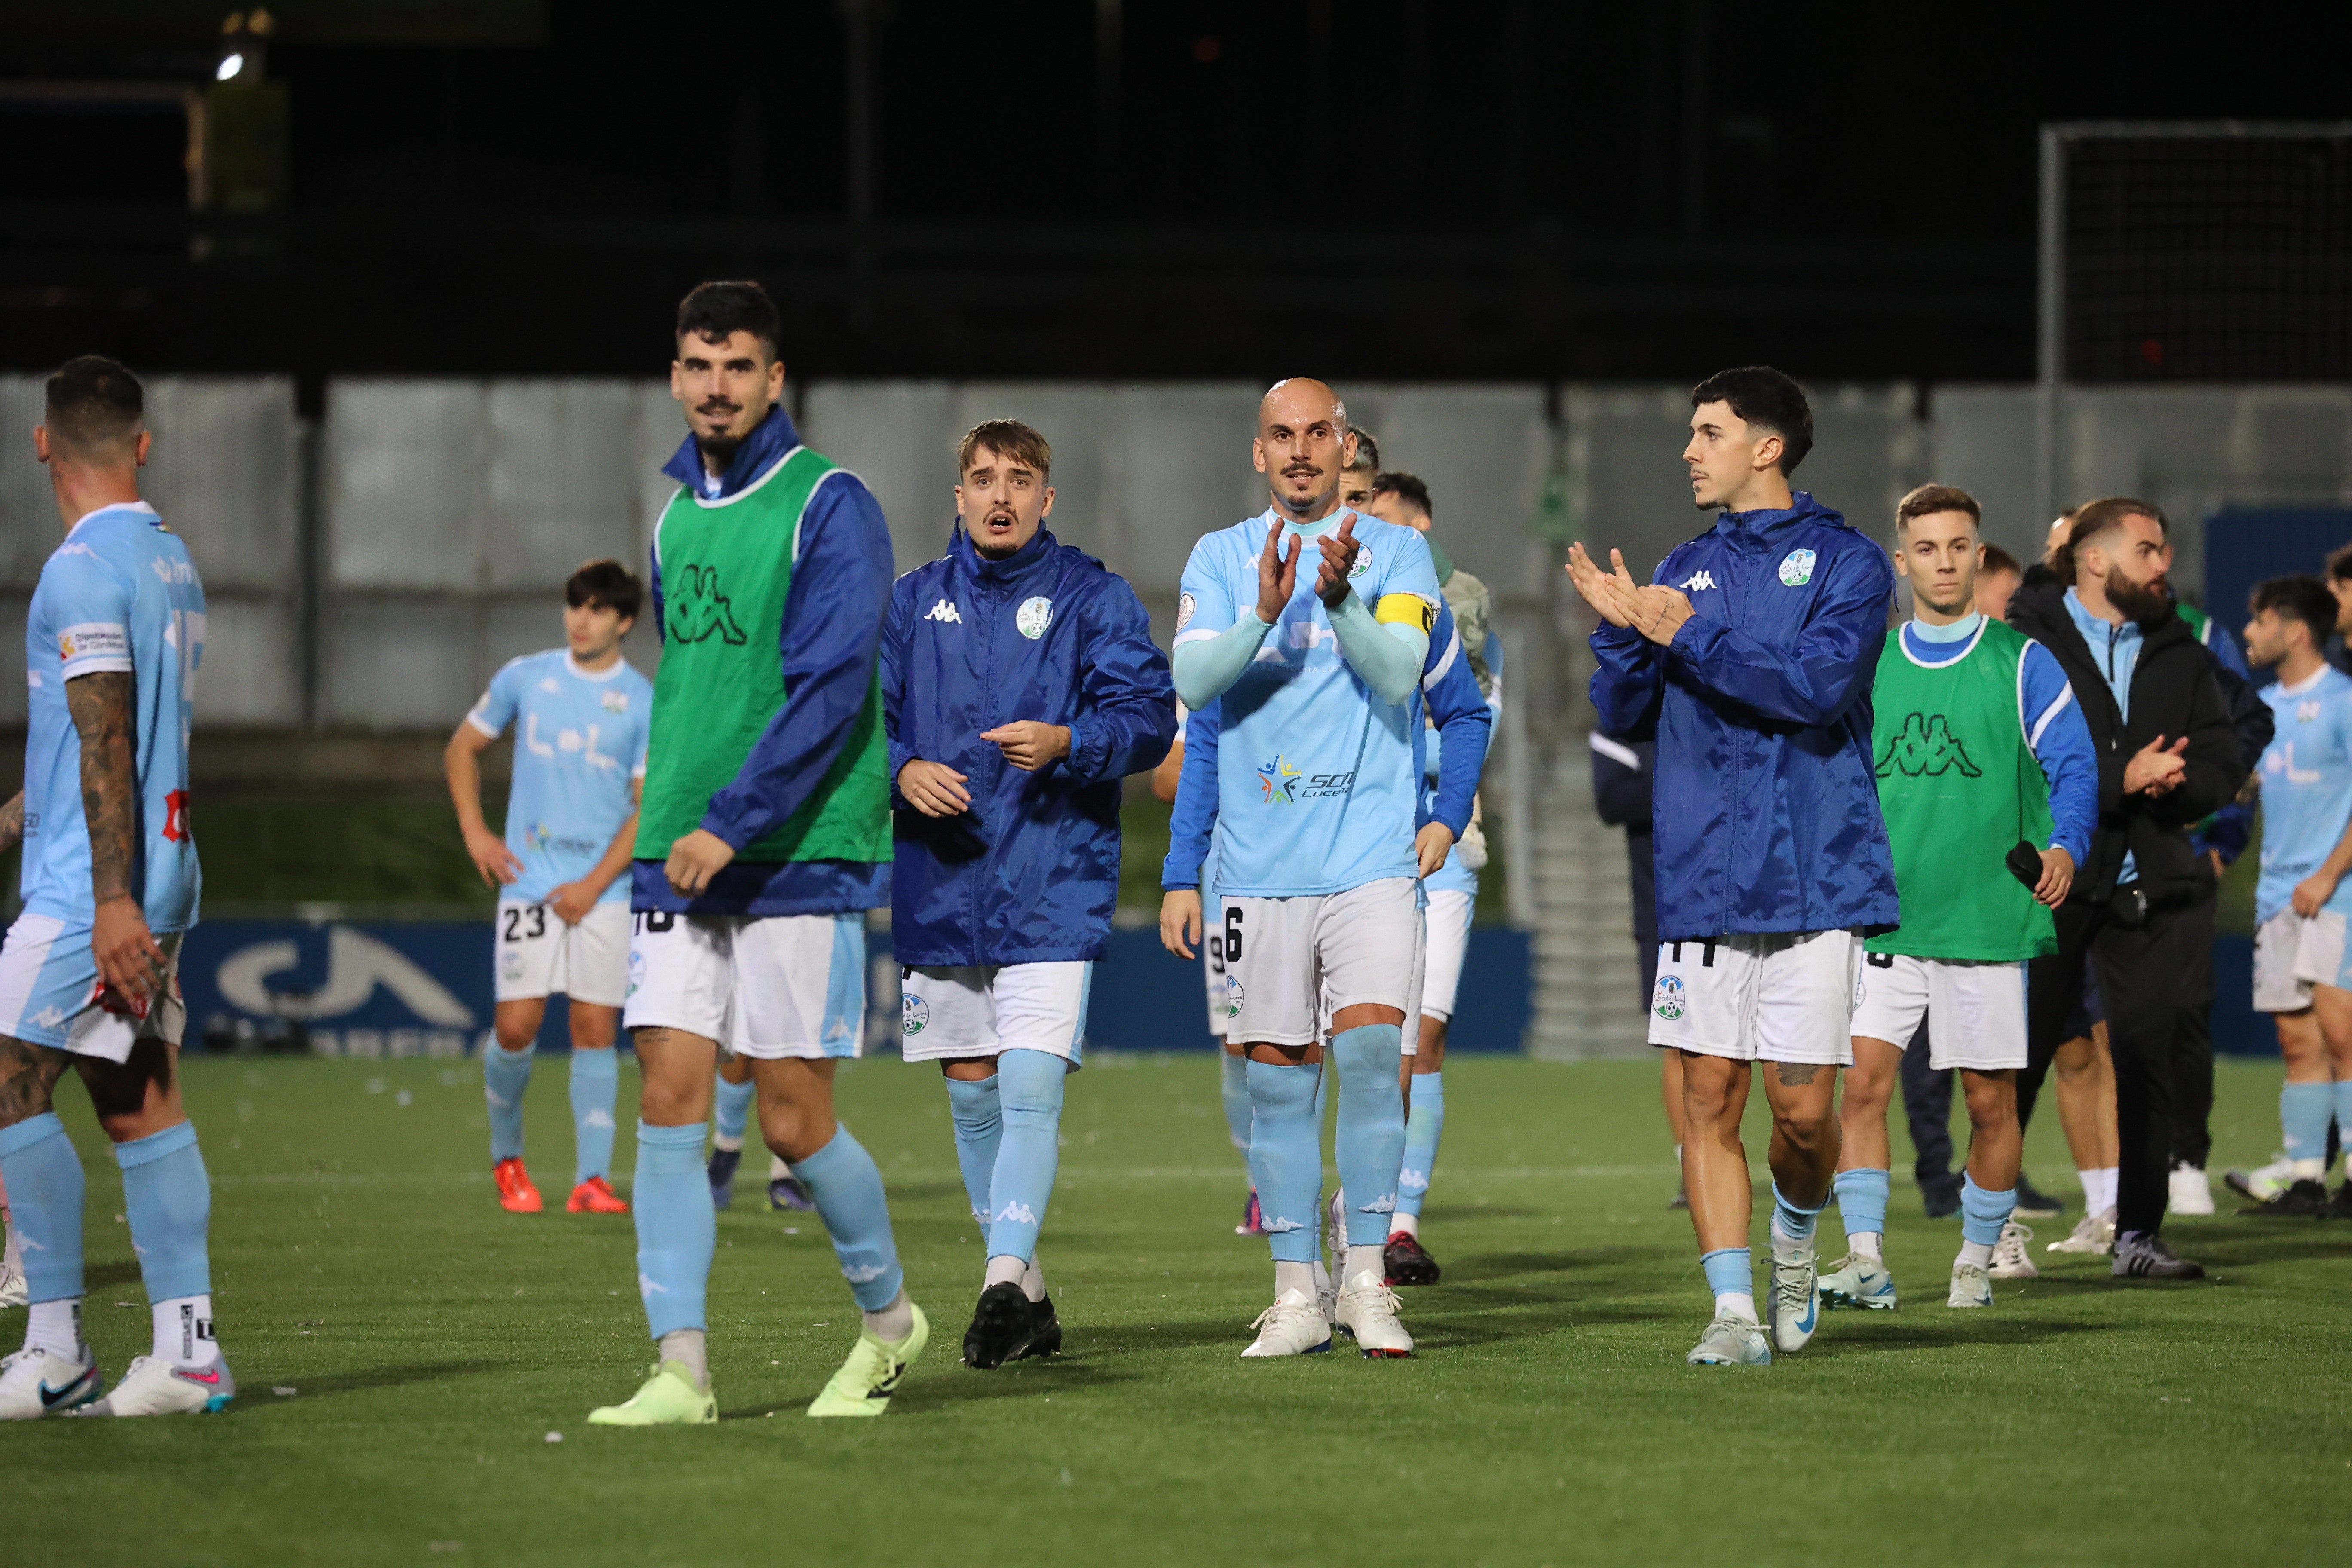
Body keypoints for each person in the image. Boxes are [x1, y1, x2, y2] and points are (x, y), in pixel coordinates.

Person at [589, 281, 922, 1426]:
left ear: (775, 378)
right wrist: (676, 819)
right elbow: (695, 686)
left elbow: (834, 688)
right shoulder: (673, 516)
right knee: (671, 1102)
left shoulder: (831, 505)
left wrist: (734, 818)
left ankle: (889, 1324)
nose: (716, 387)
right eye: (697, 366)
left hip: (792, 855)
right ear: (675, 377)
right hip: (677, 854)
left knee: (789, 1121)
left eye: (738, 367)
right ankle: (680, 1369)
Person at [1571, 365, 1898, 1368]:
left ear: (1768, 447)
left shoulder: (1847, 565)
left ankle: (1793, 1246)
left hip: (1811, 874)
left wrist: (1681, 629)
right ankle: (1730, 1312)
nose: (1688, 449)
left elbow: (1810, 689)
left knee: (1803, 1114)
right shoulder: (1683, 564)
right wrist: (1624, 634)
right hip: (1703, 878)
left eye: (1708, 431)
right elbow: (1620, 715)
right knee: (1707, 1097)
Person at [885, 418, 1175, 1367]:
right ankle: (1032, 1294)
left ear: (1048, 499)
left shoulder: (1092, 597)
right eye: (982, 479)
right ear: (957, 497)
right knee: (973, 1100)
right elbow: (858, 726)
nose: (1000, 495)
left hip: (1052, 881)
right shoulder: (910, 602)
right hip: (941, 887)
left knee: (1029, 1088)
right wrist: (899, 771)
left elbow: (1146, 719)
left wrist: (1071, 743)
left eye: (1019, 480)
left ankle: (1001, 1282)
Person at [1170, 378, 1444, 1358]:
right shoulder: (1220, 555)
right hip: (1257, 868)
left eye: (1315, 434)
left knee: (1373, 1058)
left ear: (1342, 447)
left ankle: (1365, 1279)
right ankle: (1296, 1291)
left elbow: (1398, 674)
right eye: (1279, 435)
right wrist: (1261, 613)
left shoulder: (1398, 552)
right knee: (1278, 1084)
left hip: (1369, 858)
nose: (1297, 450)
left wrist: (1337, 601)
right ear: (1259, 453)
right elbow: (1193, 682)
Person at [0, 356, 226, 1418]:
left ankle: (55, 1353)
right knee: (137, 1104)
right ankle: (187, 1352)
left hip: (94, 891)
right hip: (153, 870)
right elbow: (105, 731)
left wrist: (107, 900)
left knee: (6, 1084)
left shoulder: (79, 569)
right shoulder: (168, 557)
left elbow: (106, 731)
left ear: (44, 442)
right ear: (141, 444)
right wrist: (23, 805)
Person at [1817, 486, 2097, 1313]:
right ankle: (1864, 1257)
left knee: (1988, 1101)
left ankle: (1976, 1257)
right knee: (1860, 1087)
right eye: (1927, 548)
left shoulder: (2021, 660)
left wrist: (2065, 846)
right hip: (1885, 918)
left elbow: (2074, 768)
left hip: (1986, 921)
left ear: (1980, 555)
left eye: (1958, 545)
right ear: (1901, 562)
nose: (1944, 561)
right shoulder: (1869, 661)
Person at [2006, 499, 2248, 1280]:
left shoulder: (2180, 649)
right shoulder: (2026, 641)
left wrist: (2177, 785)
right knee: (2019, 1063)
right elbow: (2016, 762)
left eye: (2165, 549)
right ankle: (1989, 1232)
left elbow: (2222, 756)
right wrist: (2123, 776)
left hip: (2146, 883)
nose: (2163, 565)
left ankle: (2137, 1235)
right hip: (2051, 880)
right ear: (2096, 561)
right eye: (2148, 550)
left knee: (2145, 1062)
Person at [445, 560, 652, 1217]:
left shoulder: (642, 699)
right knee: (515, 1027)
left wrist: (593, 884)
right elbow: (461, 750)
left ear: (623, 621)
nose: (580, 620)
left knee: (595, 1029)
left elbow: (646, 808)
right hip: (529, 885)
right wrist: (477, 834)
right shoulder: (525, 676)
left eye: (595, 609)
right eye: (574, 606)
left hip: (605, 892)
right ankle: (508, 1160)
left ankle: (592, 1181)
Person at [1364, 470, 1502, 1284]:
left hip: (1442, 845)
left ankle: (1398, 1222)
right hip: (1342, 845)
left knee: (1422, 1038)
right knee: (1345, 1044)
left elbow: (1467, 719)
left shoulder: (1459, 602)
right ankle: (1337, 1211)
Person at [2227, 576, 2352, 1216]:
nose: (2249, 632)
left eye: (2259, 620)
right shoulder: (2265, 708)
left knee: (2343, 1035)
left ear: (2294, 630)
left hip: (2334, 895)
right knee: (2298, 1043)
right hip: (2279, 898)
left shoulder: (2345, 701)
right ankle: (2305, 1175)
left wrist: (2329, 875)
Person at [1154, 699, 1269, 1234]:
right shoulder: (1216, 662)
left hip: (1322, 881)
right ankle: (1261, 1185)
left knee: (1335, 1037)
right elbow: (1168, 777)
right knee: (1237, 1040)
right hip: (1230, 892)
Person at [1591, 730, 1678, 1201]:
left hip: (1739, 909)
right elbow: (1611, 799)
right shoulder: (1622, 715)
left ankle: (1799, 1162)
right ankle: (1693, 1164)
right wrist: (1690, 779)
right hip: (1660, 915)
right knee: (1679, 1042)